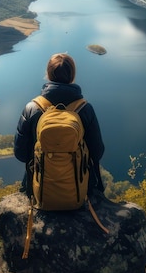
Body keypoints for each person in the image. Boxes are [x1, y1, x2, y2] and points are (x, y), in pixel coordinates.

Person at [14, 53, 105, 196]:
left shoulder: (32, 108)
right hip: (80, 189)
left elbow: (21, 154)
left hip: (39, 188)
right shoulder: (85, 109)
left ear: (48, 74)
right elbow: (97, 152)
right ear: (72, 75)